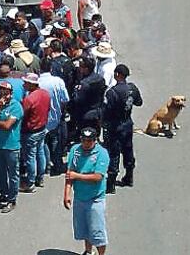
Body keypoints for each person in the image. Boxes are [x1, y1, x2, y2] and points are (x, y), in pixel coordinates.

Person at [64, 126, 110, 255]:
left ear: (95, 140)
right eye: (84, 140)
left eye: (90, 141)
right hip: (80, 197)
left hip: (95, 199)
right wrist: (67, 193)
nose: (87, 143)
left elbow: (97, 177)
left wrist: (77, 176)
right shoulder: (75, 150)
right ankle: (88, 251)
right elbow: (69, 172)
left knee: (97, 231)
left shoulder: (102, 154)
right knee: (84, 229)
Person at [101, 64, 141, 193]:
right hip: (127, 124)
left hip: (115, 125)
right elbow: (139, 102)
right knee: (128, 150)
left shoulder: (112, 92)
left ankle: (111, 184)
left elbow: (107, 111)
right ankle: (129, 177)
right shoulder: (132, 88)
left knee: (114, 153)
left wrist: (103, 123)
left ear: (118, 74)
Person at [0, 81, 23, 213]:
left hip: (12, 146)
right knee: (1, 172)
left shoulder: (16, 106)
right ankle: (4, 194)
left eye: (5, 91)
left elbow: (7, 125)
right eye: (1, 90)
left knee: (13, 174)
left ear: (10, 93)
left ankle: (12, 199)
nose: (3, 93)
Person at [20, 73, 51, 192]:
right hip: (42, 128)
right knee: (40, 152)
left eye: (26, 83)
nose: (24, 85)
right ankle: (40, 178)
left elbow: (23, 115)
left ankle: (30, 182)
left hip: (31, 132)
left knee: (30, 157)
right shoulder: (45, 94)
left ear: (32, 85)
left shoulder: (29, 99)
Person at [40, 64, 70, 176]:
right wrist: (60, 111)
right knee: (55, 142)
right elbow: (65, 99)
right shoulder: (58, 81)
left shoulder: (37, 82)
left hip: (42, 119)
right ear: (51, 69)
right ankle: (57, 165)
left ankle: (46, 166)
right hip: (55, 118)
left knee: (43, 144)